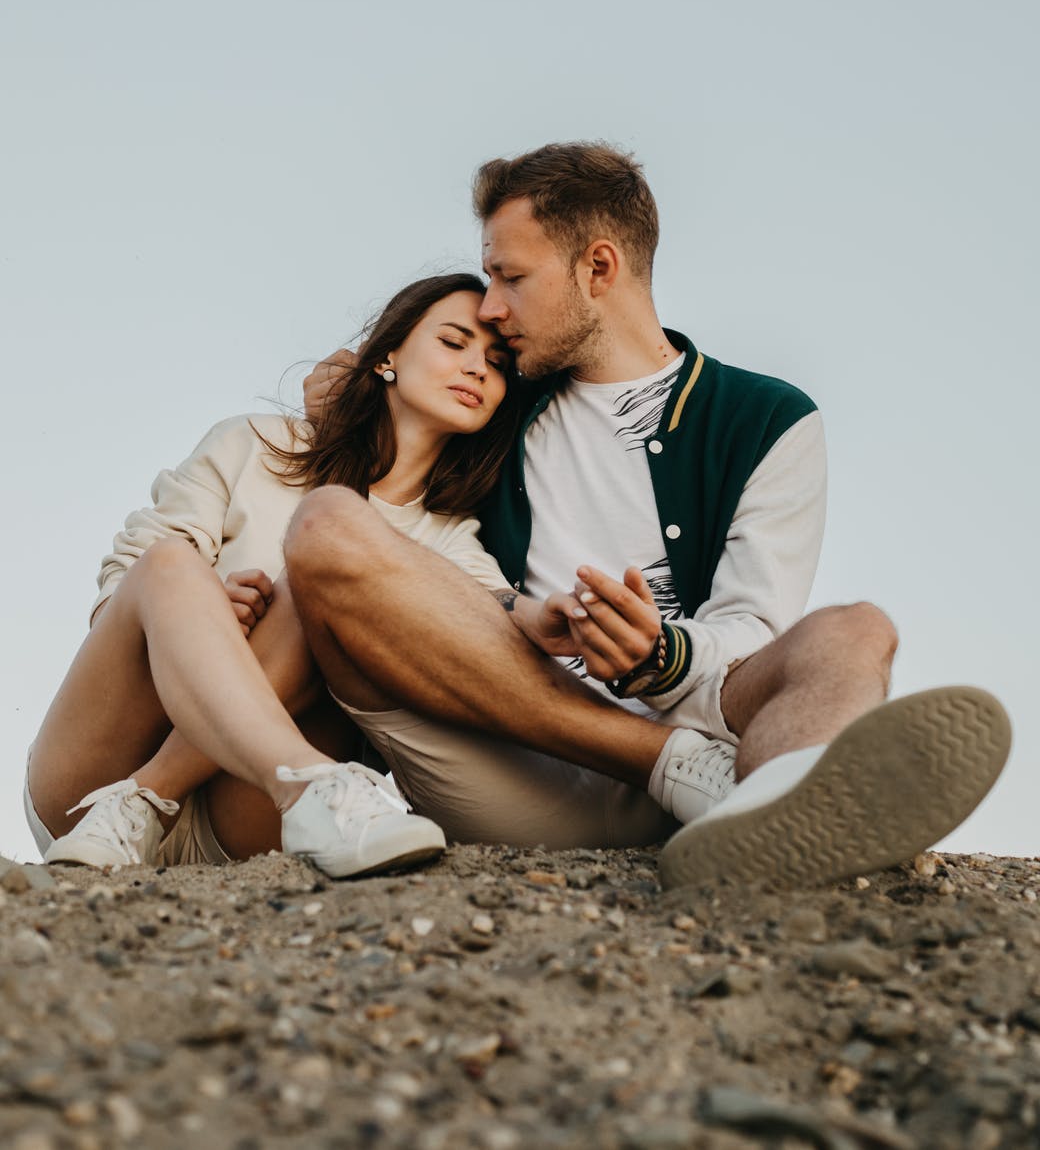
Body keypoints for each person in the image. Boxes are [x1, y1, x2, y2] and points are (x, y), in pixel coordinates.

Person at [290, 141, 1011, 889]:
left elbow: (752, 634)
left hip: (704, 741)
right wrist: (351, 403)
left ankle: (776, 814)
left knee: (856, 629)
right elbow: (384, 513)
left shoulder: (766, 420)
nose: (492, 307)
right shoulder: (497, 405)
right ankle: (733, 794)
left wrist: (659, 656)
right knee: (329, 525)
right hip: (513, 762)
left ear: (599, 268)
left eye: (511, 277)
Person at [26, 273, 520, 878]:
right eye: (454, 342)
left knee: (325, 582)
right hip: (96, 783)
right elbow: (125, 585)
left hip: (244, 817)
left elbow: (497, 629)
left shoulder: (450, 542)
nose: (476, 369)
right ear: (388, 354)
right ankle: (150, 799)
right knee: (171, 565)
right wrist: (193, 617)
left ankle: (182, 792)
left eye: (497, 364)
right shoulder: (253, 443)